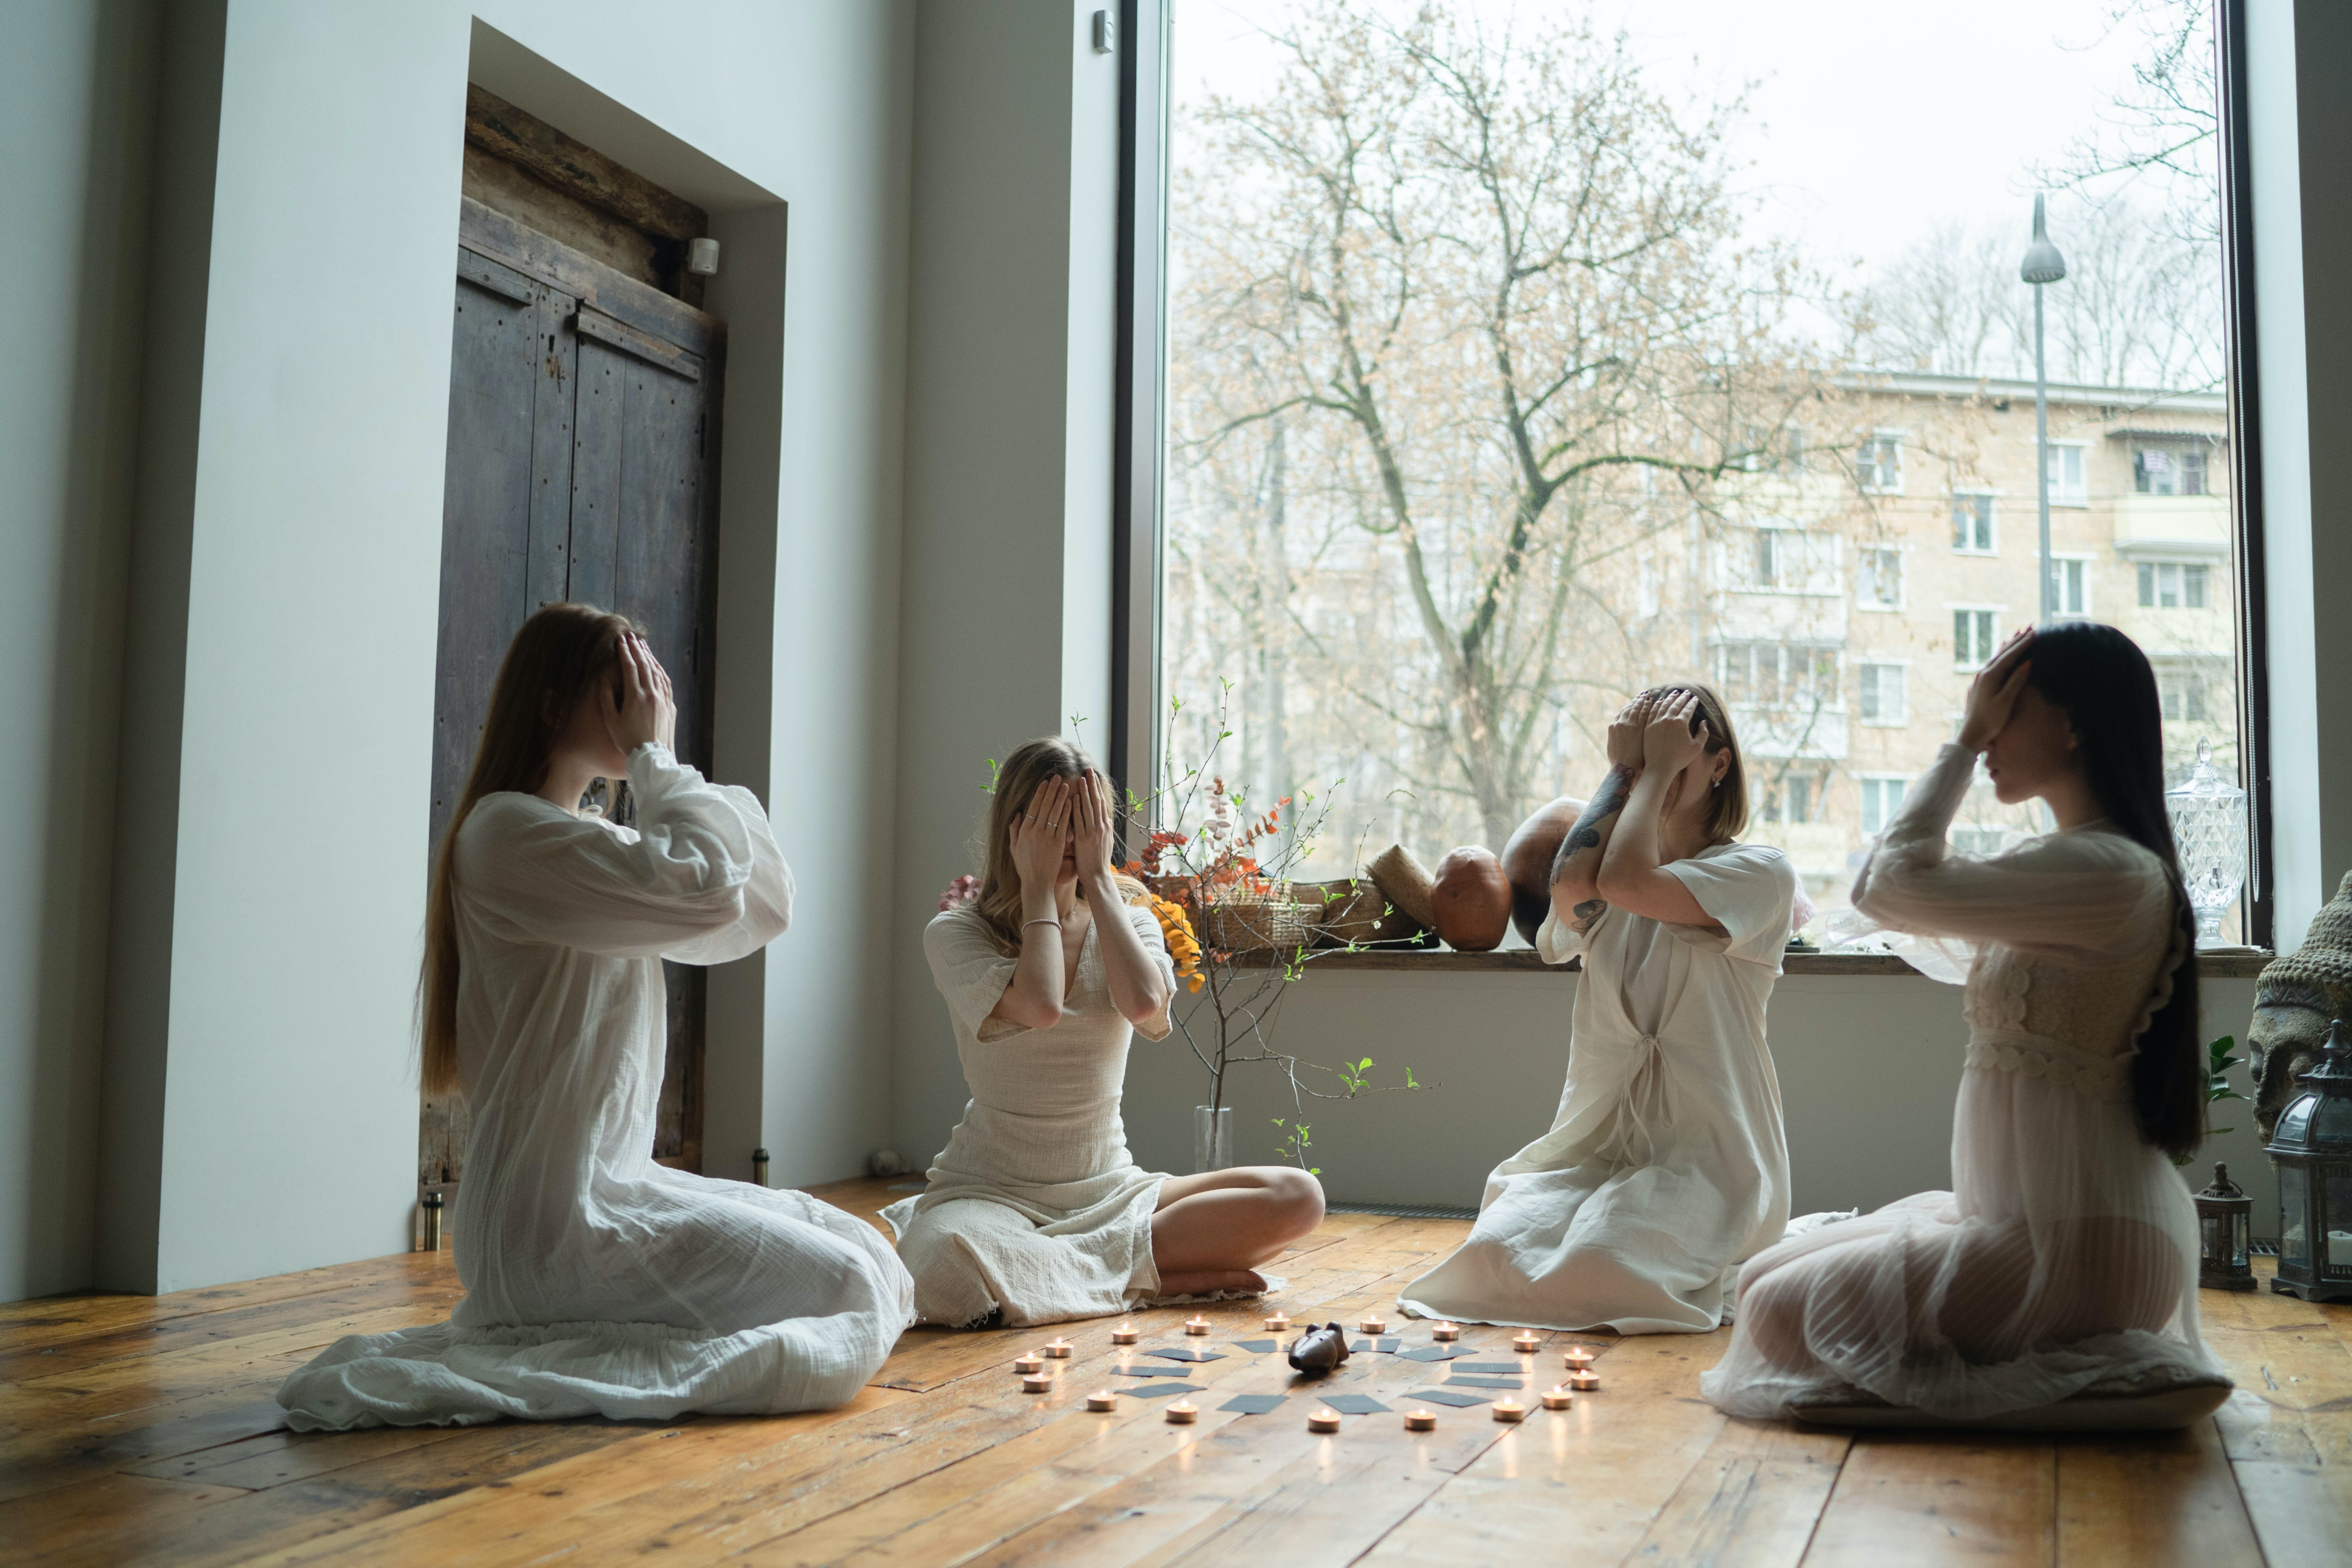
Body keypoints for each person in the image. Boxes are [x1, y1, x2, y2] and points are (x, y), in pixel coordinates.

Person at [278, 605, 912, 1430]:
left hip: (612, 1191)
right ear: (551, 704)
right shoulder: (506, 835)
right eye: (622, 687)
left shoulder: (583, 836)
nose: (643, 702)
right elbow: (711, 884)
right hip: (550, 1226)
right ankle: (587, 1346)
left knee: (869, 1255)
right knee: (849, 1288)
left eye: (651, 687)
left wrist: (659, 765)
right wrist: (658, 756)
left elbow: (761, 904)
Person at [1702, 624, 2232, 1426]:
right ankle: (2057, 1384)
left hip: (2087, 1244)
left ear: (2072, 725)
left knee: (1777, 1312)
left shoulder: (2109, 871)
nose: (1987, 734)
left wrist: (1959, 741)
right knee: (1756, 1284)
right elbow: (1905, 900)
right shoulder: (2076, 863)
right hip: (2034, 1222)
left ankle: (2075, 1387)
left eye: (2005, 710)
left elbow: (1888, 883)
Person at [883, 738, 1325, 1328]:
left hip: (1110, 1191)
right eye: (1053, 824)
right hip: (990, 1193)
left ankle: (1074, 1278)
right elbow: (1040, 1006)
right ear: (1014, 829)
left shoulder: (1132, 920)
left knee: (1299, 1198)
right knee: (939, 1266)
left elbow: (1144, 1006)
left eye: (1083, 824)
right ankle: (1153, 1281)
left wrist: (1098, 875)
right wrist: (1039, 887)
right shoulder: (956, 933)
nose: (1068, 840)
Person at [1399, 686, 1796, 1334]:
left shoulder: (1757, 872)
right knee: (1497, 1251)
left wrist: (1658, 766)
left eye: (1674, 762)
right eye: (1637, 765)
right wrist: (1627, 768)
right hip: (1603, 1147)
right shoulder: (1605, 873)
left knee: (1605, 1265)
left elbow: (1628, 884)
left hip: (1711, 1154)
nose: (1651, 781)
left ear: (1719, 765)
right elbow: (1577, 887)